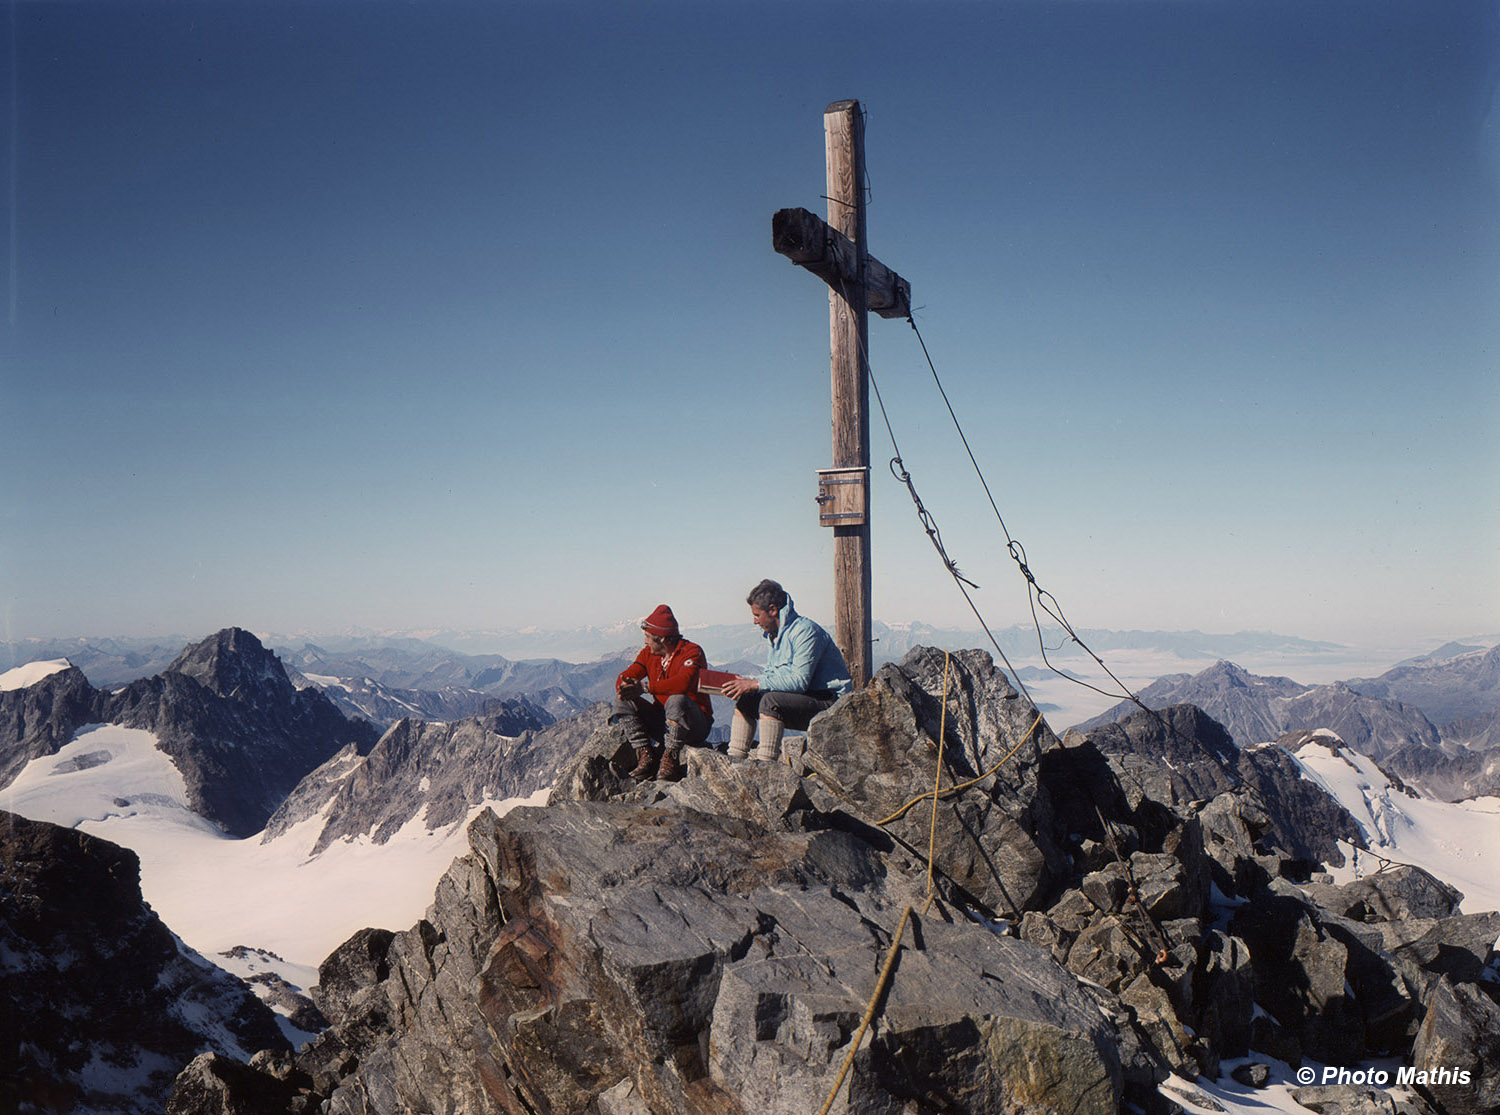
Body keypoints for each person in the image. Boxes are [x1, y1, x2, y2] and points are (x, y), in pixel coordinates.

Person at [720, 579, 851, 762]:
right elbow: (774, 675)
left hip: (830, 702)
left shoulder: (805, 632)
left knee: (770, 701)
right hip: (807, 698)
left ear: (773, 610)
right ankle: (734, 761)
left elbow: (799, 681)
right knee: (746, 699)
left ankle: (767, 766)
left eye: (757, 615)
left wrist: (754, 683)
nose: (755, 621)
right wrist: (742, 682)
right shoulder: (775, 636)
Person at [613, 604, 713, 781]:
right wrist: (625, 685)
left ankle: (671, 757)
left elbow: (684, 682)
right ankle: (645, 754)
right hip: (663, 722)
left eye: (648, 637)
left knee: (677, 700)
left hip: (693, 725)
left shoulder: (691, 652)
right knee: (623, 700)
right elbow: (629, 673)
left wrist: (645, 688)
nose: (645, 641)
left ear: (662, 639)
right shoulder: (648, 654)